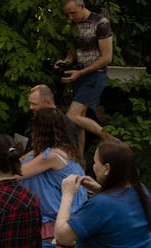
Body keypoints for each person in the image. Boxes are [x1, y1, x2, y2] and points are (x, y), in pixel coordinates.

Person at [43, 140, 151, 248]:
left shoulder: (102, 204)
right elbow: (119, 209)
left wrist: (67, 194)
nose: (93, 167)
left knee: (36, 247)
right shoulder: (141, 190)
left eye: (95, 162)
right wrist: (100, 190)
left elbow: (61, 236)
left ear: (106, 168)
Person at [56, 0, 113, 157]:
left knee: (71, 116)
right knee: (78, 121)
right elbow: (72, 54)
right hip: (78, 77)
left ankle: (112, 140)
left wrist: (81, 73)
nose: (70, 17)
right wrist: (65, 62)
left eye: (73, 12)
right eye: (67, 14)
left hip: (95, 75)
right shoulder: (73, 26)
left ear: (82, 6)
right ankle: (79, 160)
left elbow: (107, 57)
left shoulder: (101, 23)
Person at [20, 108, 87, 237]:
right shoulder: (64, 147)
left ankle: (25, 205)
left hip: (70, 205)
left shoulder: (51, 156)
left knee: (30, 171)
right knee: (30, 161)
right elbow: (32, 154)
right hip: (75, 197)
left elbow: (18, 173)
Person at [23, 84, 77, 152]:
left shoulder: (65, 124)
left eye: (34, 104)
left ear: (48, 103)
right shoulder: (34, 119)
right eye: (30, 103)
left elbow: (69, 153)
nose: (30, 107)